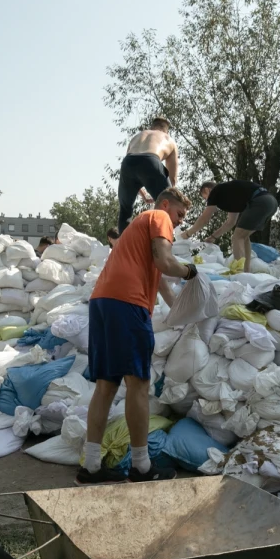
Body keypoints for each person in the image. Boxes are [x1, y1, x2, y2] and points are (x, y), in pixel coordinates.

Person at [78, 187, 196, 485]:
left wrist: (183, 313)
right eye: (180, 214)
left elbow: (160, 283)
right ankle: (141, 466)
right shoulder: (158, 216)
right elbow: (166, 263)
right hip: (127, 304)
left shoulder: (136, 230)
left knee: (106, 385)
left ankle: (91, 467)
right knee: (139, 384)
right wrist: (191, 272)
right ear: (166, 204)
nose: (180, 221)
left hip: (103, 302)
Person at [178, 180, 279, 271]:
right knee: (244, 237)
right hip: (271, 202)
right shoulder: (230, 195)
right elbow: (230, 222)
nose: (207, 201)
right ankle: (246, 271)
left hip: (260, 201)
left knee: (237, 237)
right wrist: (213, 237)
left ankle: (239, 271)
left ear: (207, 190)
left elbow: (204, 218)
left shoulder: (215, 191)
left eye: (206, 198)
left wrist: (187, 234)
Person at [116, 116, 178, 234]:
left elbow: (135, 167)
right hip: (151, 161)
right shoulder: (168, 139)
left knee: (125, 209)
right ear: (166, 130)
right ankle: (161, 242)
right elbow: (173, 179)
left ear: (151, 127)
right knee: (167, 205)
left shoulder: (137, 136)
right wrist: (166, 197)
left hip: (128, 162)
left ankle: (122, 246)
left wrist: (144, 193)